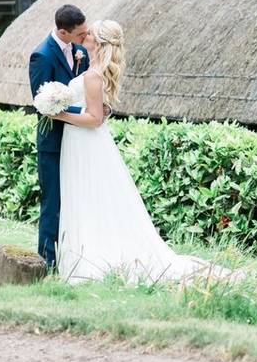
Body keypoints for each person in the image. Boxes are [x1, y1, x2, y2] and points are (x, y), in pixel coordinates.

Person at [51, 19, 242, 284]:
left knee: (88, 193)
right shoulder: (92, 68)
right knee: (88, 194)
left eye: (90, 33)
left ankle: (91, 257)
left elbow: (95, 118)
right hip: (81, 141)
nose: (86, 35)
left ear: (98, 42)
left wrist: (59, 114)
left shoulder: (94, 75)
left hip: (85, 141)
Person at [28, 5, 90, 270]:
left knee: (78, 199)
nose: (85, 39)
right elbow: (43, 104)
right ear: (63, 32)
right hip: (53, 143)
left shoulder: (81, 53)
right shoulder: (41, 56)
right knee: (52, 203)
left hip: (79, 140)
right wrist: (87, 113)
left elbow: (86, 88)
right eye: (80, 35)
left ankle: (75, 256)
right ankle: (48, 262)